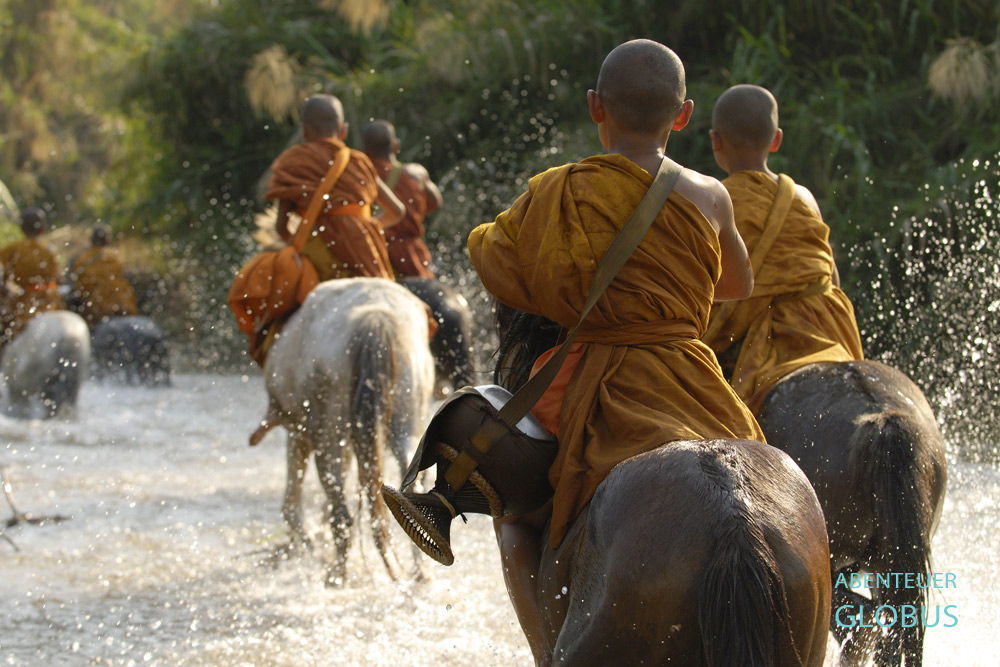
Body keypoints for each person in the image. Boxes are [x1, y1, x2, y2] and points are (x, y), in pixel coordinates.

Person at [387, 40, 765, 665]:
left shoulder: (558, 192)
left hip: (590, 379)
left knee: (517, 518)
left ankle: (548, 656)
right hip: (694, 381)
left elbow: (497, 263)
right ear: (684, 115)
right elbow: (738, 286)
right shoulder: (710, 195)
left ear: (596, 107)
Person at [704, 84, 864, 413]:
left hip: (757, 342)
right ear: (776, 139)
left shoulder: (714, 198)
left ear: (715, 141)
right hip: (823, 329)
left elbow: (705, 286)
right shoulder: (803, 197)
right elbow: (831, 278)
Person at [266, 94, 406, 283]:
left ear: (304, 131)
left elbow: (281, 227)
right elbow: (397, 211)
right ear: (343, 131)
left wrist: (299, 247)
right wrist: (363, 227)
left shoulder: (294, 160)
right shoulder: (360, 162)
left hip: (318, 256)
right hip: (364, 253)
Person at [361, 120, 443, 279]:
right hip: (410, 261)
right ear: (396, 146)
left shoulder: (360, 175)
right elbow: (436, 203)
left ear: (365, 152)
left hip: (373, 256)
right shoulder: (416, 173)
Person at [0, 207, 65, 351]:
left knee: (7, 334)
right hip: (52, 303)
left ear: (22, 228)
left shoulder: (13, 248)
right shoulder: (50, 250)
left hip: (27, 304)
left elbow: (3, 277)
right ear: (43, 228)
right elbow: (59, 279)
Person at [66, 223, 139, 327]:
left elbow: (79, 289)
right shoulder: (115, 258)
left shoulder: (83, 260)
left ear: (91, 240)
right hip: (123, 307)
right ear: (108, 240)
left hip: (97, 312)